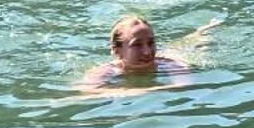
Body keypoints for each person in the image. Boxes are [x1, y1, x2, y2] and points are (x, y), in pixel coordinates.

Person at [79, 14, 219, 90]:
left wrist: (140, 90)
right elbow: (87, 91)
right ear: (117, 50)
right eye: (137, 45)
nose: (147, 52)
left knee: (195, 44)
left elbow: (183, 85)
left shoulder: (171, 64)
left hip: (173, 54)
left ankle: (204, 32)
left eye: (151, 43)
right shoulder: (107, 71)